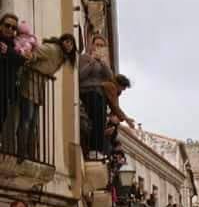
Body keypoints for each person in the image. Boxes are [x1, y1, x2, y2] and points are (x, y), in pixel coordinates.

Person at [19, 33, 77, 162]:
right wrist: (30, 56)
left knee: (34, 122)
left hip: (38, 87)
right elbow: (36, 51)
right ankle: (22, 153)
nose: (69, 44)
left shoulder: (61, 58)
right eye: (67, 41)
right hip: (30, 82)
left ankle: (30, 154)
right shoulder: (53, 49)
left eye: (72, 43)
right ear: (61, 41)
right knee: (27, 119)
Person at [79, 34, 114, 157]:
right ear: (92, 45)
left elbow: (110, 77)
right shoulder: (84, 58)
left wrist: (102, 62)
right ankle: (92, 149)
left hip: (99, 93)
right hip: (87, 91)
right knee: (93, 119)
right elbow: (80, 75)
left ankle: (98, 150)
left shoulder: (103, 62)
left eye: (101, 45)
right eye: (97, 44)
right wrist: (92, 61)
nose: (98, 47)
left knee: (100, 121)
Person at [0, 13, 24, 131]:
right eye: (7, 25)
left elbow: (22, 60)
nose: (10, 29)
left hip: (5, 92)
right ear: (1, 26)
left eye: (13, 28)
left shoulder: (13, 45)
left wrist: (8, 52)